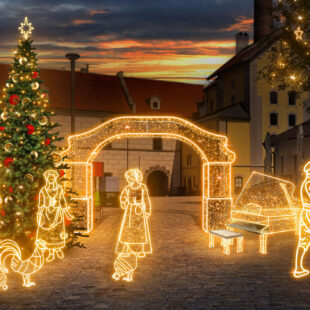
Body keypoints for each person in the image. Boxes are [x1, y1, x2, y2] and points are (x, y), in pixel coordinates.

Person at [112, 169, 152, 281]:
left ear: (135, 178)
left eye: (130, 178)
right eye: (128, 179)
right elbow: (122, 198)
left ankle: (139, 249)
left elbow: (146, 199)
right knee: (128, 229)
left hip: (139, 210)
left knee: (139, 230)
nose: (129, 180)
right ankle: (128, 247)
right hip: (130, 211)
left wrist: (147, 210)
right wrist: (125, 204)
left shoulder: (142, 187)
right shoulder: (128, 188)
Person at [36, 170, 73, 263]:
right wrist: (39, 215)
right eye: (49, 178)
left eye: (53, 178)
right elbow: (40, 204)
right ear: (47, 179)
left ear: (55, 179)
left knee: (57, 232)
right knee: (48, 233)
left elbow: (63, 201)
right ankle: (51, 253)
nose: (51, 179)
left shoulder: (59, 189)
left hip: (57, 213)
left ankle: (58, 249)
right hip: (46, 214)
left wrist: (67, 213)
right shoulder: (43, 190)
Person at [294, 161, 310, 278]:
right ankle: (298, 268)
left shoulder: (306, 183)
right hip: (308, 214)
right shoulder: (308, 184)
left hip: (306, 214)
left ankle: (298, 267)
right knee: (304, 241)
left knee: (304, 241)